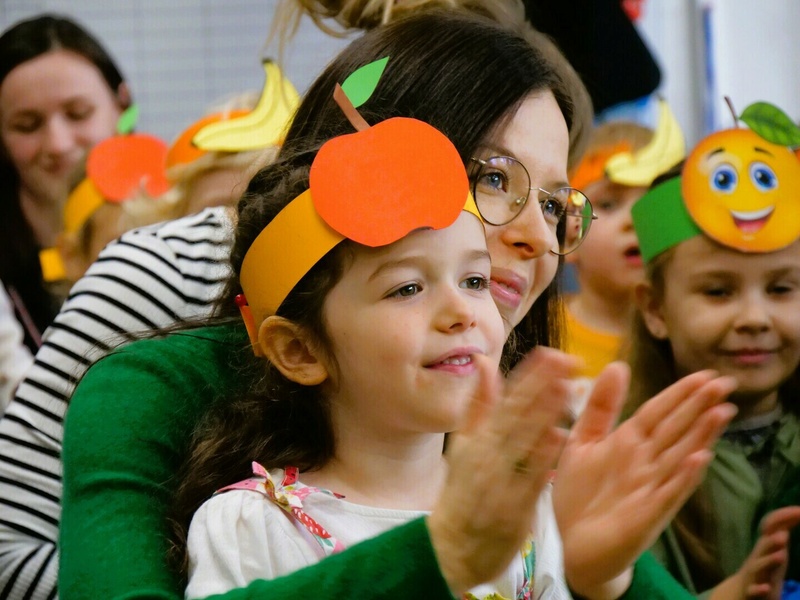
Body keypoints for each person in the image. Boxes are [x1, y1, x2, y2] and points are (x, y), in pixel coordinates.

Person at [60, 10, 739, 600]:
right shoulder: (165, 401)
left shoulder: (517, 425)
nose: (539, 236)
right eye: (494, 178)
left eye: (557, 204)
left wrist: (602, 577)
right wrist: (439, 554)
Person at [627, 116, 800, 596]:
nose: (754, 318)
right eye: (718, 291)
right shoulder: (631, 463)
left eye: (781, 289)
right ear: (656, 309)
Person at [0, 14, 129, 412]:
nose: (57, 144)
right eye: (27, 125)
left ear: (122, 105)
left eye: (78, 114)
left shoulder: (173, 218)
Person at [564, 120, 653, 381]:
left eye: (652, 204)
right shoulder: (535, 333)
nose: (635, 219)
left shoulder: (691, 335)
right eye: (609, 204)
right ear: (567, 237)